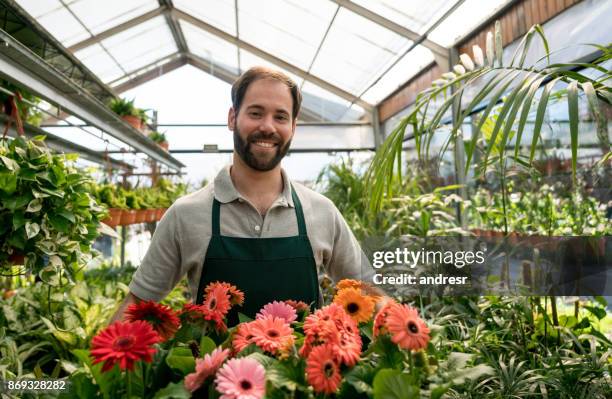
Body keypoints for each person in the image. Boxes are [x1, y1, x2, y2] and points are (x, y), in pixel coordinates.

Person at [111, 66, 377, 324]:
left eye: (280, 117)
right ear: (232, 118)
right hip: (214, 369)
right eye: (256, 113)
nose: (268, 127)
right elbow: (136, 305)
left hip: (305, 369)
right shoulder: (185, 214)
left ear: (293, 127)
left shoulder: (322, 212)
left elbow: (370, 293)